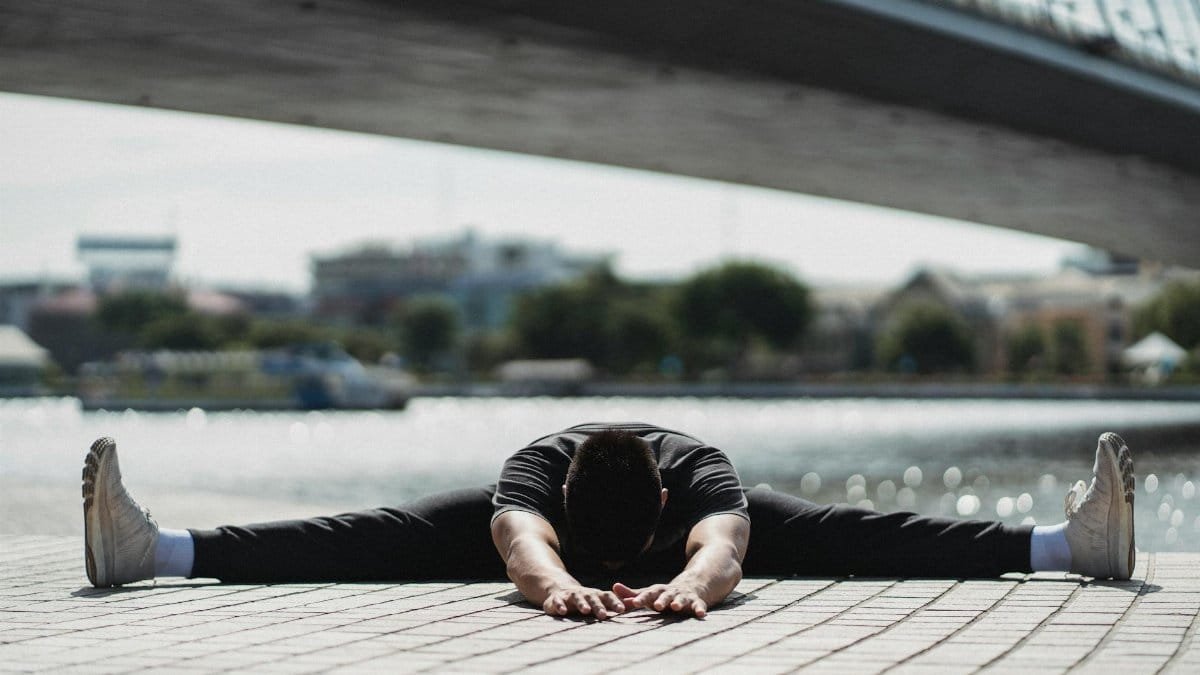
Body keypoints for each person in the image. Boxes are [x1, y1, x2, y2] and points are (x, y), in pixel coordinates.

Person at [82, 423, 1136, 619]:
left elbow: (724, 550)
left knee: (850, 530)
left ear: (665, 508)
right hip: (536, 517)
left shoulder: (707, 480)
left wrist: (690, 586)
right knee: (380, 532)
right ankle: (154, 551)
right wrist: (558, 587)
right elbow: (519, 545)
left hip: (708, 518)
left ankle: (1067, 546)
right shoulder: (532, 477)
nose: (613, 567)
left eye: (637, 548)